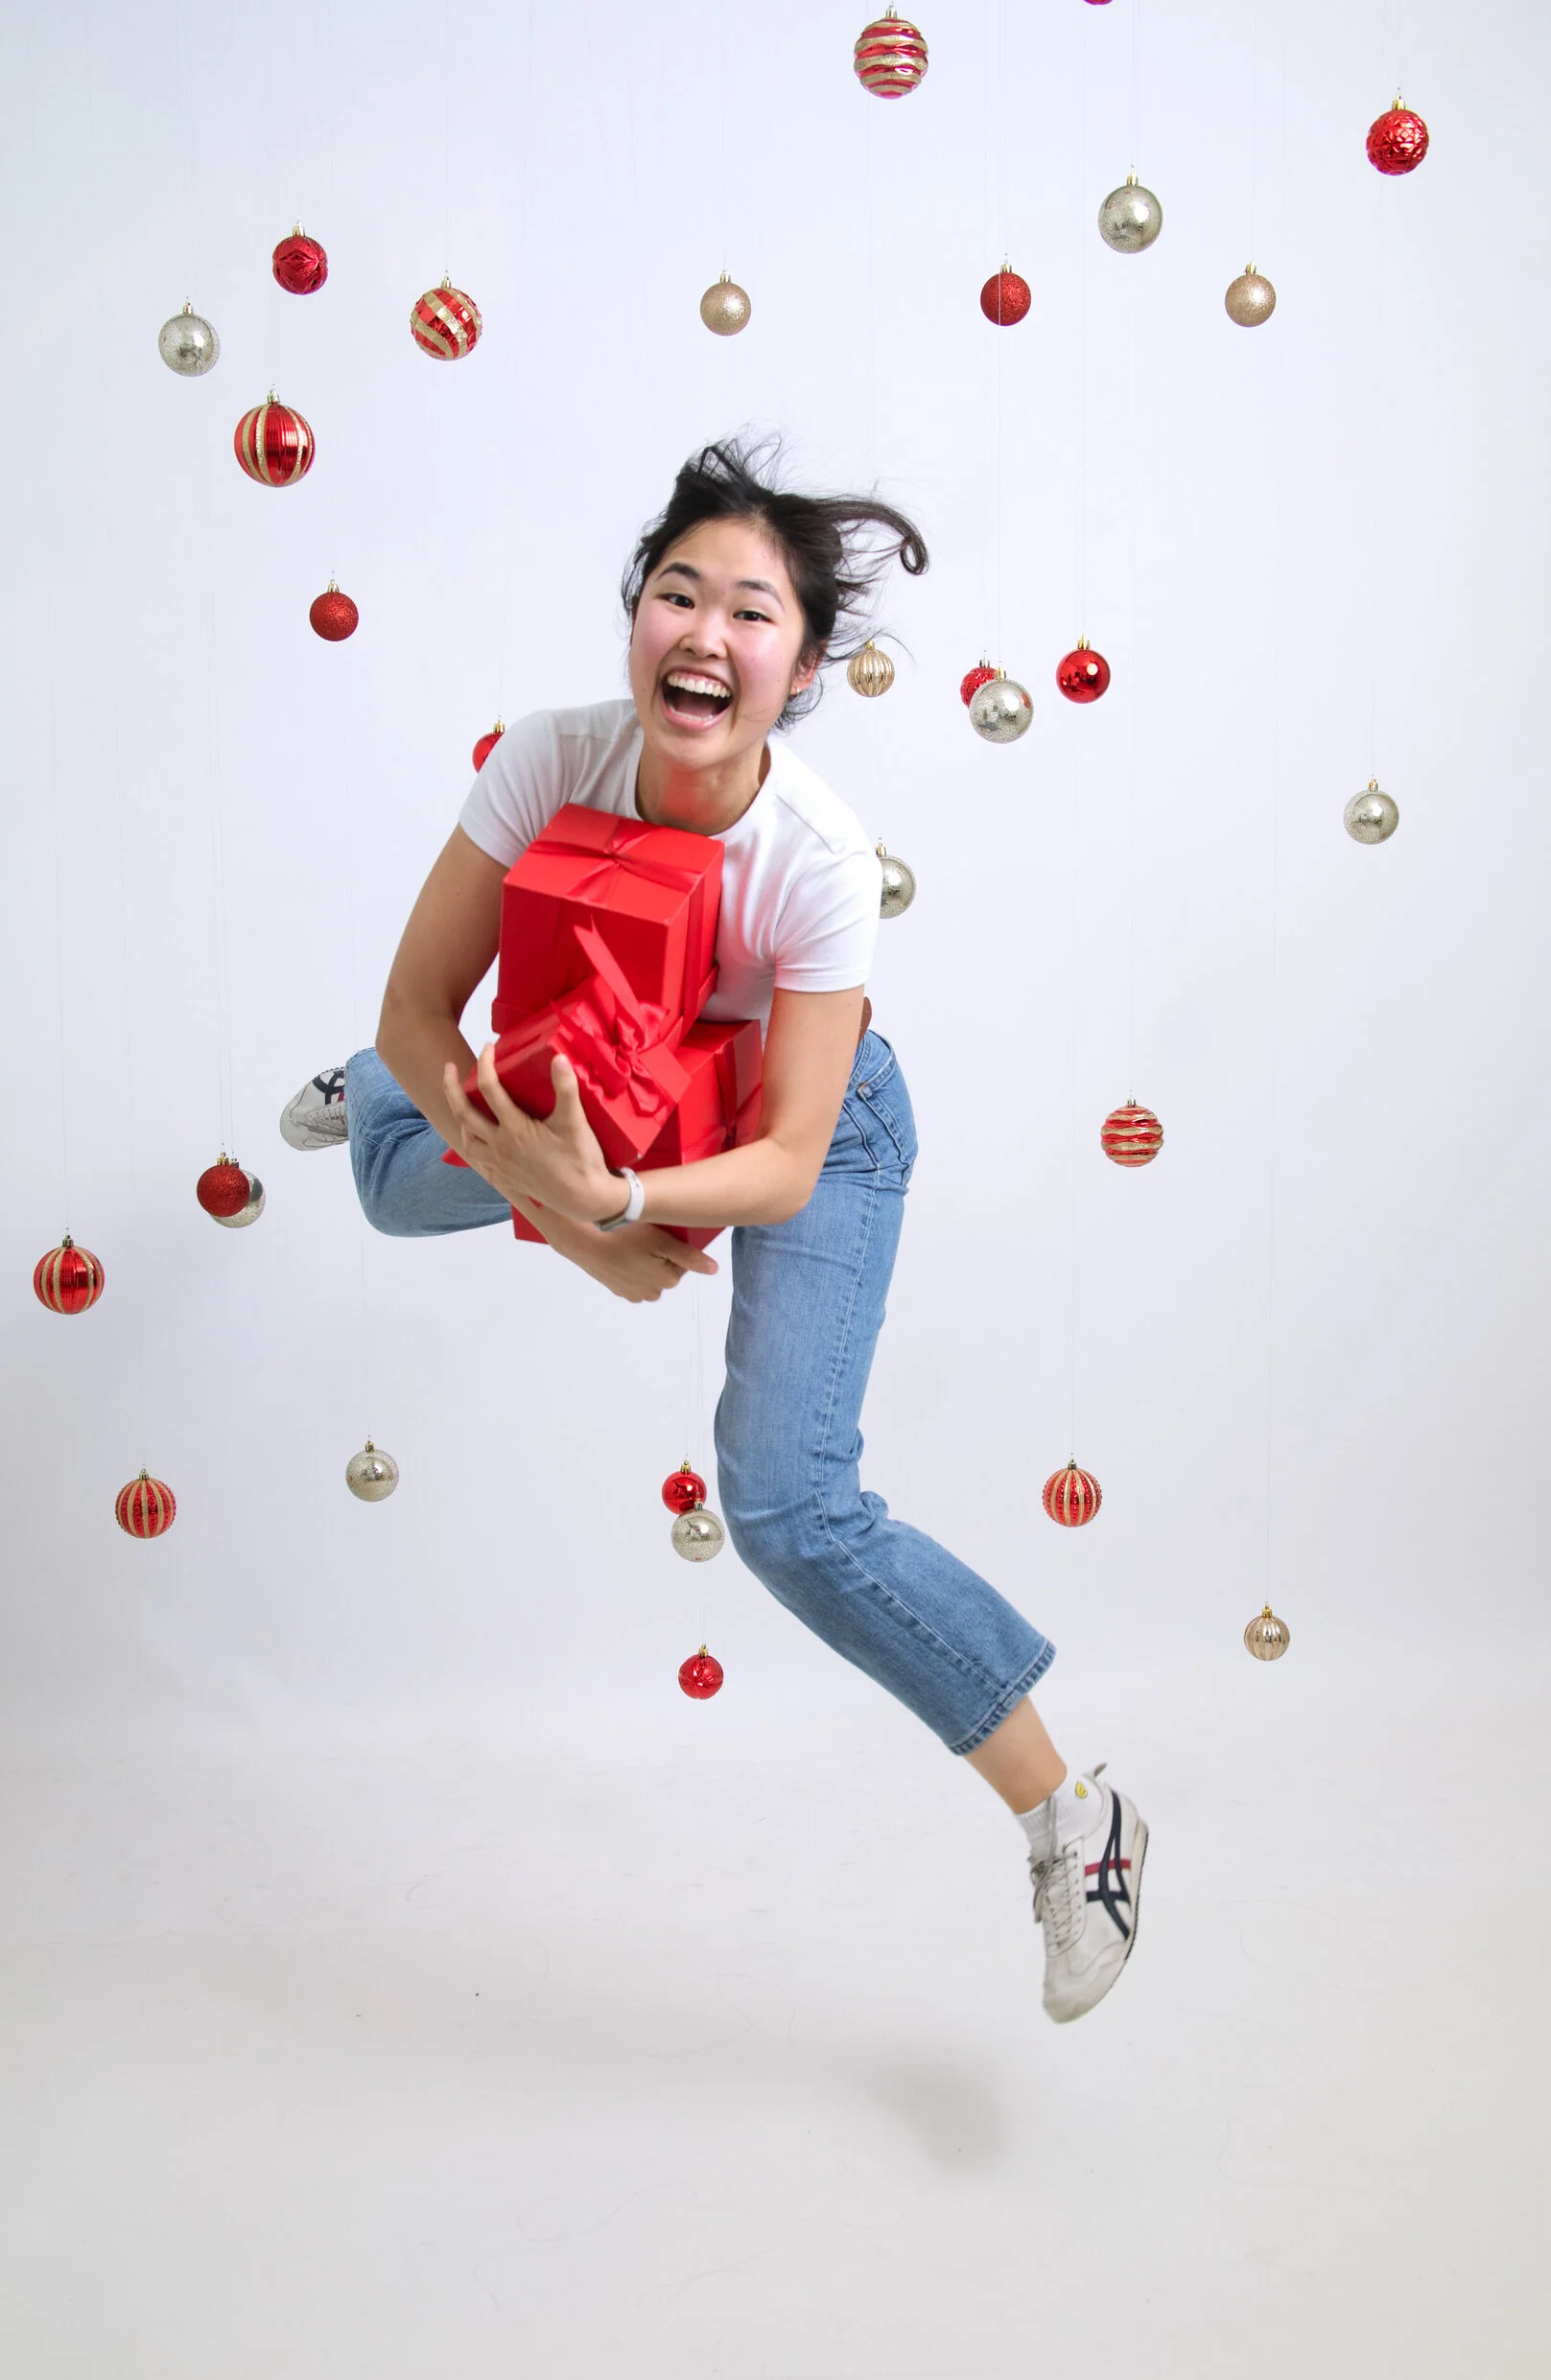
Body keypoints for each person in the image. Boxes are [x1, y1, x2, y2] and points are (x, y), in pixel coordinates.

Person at [280, 435, 1147, 2023]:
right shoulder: (550, 757)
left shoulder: (816, 858)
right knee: (401, 1179)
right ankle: (377, 1105)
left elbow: (794, 1159)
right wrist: (573, 1206)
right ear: (634, 620)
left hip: (797, 1129)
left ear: (801, 665)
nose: (705, 632)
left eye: (752, 613)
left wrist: (616, 1209)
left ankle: (1073, 1823)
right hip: (600, 1087)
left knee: (789, 1510)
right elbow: (418, 1004)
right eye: (677, 592)